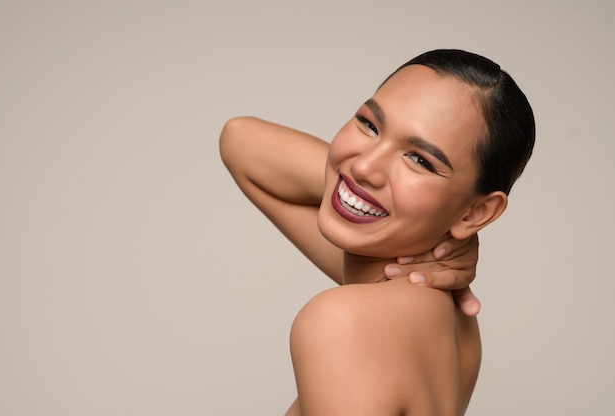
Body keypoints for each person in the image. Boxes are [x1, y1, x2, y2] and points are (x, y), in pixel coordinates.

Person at [219, 49, 535, 415]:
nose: (367, 165)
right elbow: (239, 139)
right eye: (370, 125)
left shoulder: (343, 321)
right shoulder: (454, 325)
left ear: (478, 211)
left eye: (420, 160)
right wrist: (456, 227)